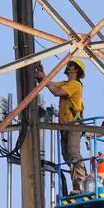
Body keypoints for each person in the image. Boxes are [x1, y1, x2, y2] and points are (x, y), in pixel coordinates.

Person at [35, 58, 87, 194]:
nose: (69, 68)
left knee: (73, 152)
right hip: (64, 127)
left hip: (74, 125)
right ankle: (77, 186)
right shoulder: (65, 83)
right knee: (67, 156)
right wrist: (42, 74)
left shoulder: (75, 85)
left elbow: (56, 91)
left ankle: (82, 183)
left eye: (72, 66)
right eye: (69, 65)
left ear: (76, 70)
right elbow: (49, 84)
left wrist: (44, 80)